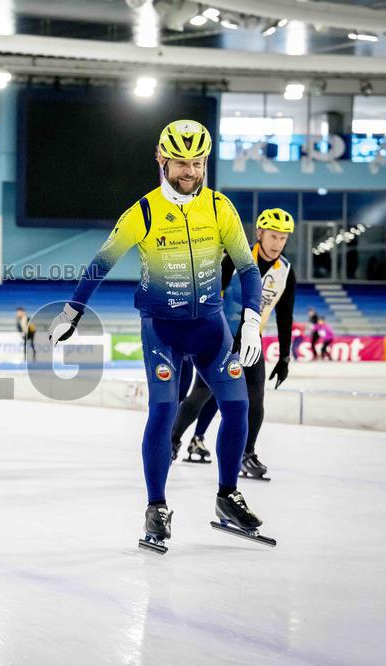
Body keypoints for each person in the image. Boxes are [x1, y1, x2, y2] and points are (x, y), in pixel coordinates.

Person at [47, 120, 271, 554]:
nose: (190, 171)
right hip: (162, 330)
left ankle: (228, 496)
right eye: (181, 163)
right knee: (163, 411)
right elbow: (102, 261)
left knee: (238, 405)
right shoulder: (143, 212)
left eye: (198, 162)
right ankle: (156, 506)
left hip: (211, 328)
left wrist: (250, 320)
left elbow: (247, 268)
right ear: (161, 159)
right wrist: (73, 309)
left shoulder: (220, 207)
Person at [171, 207, 298, 481]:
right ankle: (171, 441)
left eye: (283, 238)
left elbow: (285, 315)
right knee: (202, 394)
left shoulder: (285, 271)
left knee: (256, 397)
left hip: (252, 342)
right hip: (219, 337)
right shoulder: (234, 260)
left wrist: (285, 358)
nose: (278, 244)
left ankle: (246, 454)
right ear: (259, 234)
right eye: (273, 236)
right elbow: (208, 299)